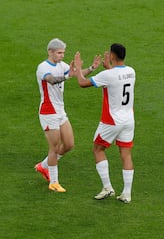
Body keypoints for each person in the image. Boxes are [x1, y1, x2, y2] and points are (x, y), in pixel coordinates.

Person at [72, 43, 136, 203]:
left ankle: (107, 187)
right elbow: (116, 79)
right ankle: (127, 194)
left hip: (112, 120)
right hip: (129, 119)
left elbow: (82, 83)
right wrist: (109, 67)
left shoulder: (108, 75)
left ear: (113, 56)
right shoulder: (131, 71)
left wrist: (79, 68)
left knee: (98, 149)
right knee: (126, 154)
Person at [35, 38, 101, 192]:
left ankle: (44, 166)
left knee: (69, 144)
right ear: (50, 52)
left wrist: (91, 68)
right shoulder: (43, 67)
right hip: (48, 111)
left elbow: (76, 73)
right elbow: (51, 80)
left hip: (60, 110)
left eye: (63, 53)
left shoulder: (61, 65)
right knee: (55, 147)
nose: (62, 56)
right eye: (59, 53)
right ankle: (54, 182)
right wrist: (68, 76)